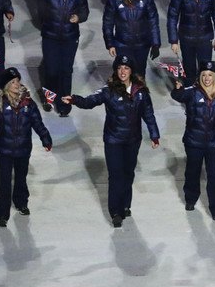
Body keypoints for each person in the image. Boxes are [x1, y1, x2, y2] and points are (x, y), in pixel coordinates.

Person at [66, 55, 160, 227]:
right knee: (116, 176)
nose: (122, 71)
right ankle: (115, 212)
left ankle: (125, 205)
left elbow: (148, 114)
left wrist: (154, 135)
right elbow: (90, 102)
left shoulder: (141, 92)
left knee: (128, 173)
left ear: (131, 71)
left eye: (126, 68)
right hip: (114, 140)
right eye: (119, 68)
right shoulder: (108, 90)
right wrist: (74, 99)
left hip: (133, 140)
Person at [0, 67, 53, 227]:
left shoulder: (28, 103)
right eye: (13, 82)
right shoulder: (0, 102)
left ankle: (21, 203)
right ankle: (2, 214)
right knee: (5, 182)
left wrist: (46, 139)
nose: (17, 84)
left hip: (23, 149)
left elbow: (37, 123)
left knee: (21, 178)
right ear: (7, 85)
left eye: (18, 81)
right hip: (5, 150)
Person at [20, 0, 89, 118]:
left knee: (65, 71)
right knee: (51, 70)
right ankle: (49, 99)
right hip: (50, 36)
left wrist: (78, 17)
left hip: (70, 37)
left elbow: (85, 11)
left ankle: (64, 103)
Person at [171, 61, 215, 220]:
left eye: (210, 75)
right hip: (193, 142)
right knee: (192, 172)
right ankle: (190, 198)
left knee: (214, 176)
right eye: (204, 75)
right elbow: (178, 96)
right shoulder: (192, 92)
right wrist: (178, 89)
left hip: (213, 143)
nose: (206, 78)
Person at [102, 0, 161, 78]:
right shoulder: (113, 1)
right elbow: (107, 24)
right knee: (123, 76)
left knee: (139, 75)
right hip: (122, 45)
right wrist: (110, 44)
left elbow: (153, 22)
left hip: (142, 45)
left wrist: (155, 43)